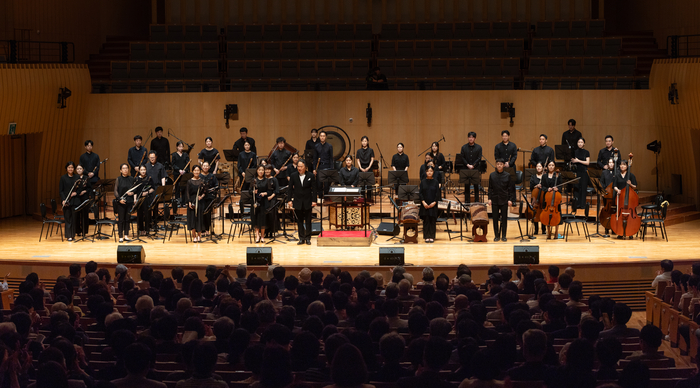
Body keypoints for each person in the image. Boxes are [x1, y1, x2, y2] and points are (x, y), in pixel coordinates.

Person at [288, 160, 316, 246]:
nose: (299, 168)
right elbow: (290, 189)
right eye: (298, 166)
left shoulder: (311, 175)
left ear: (305, 167)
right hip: (297, 201)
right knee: (299, 221)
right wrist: (289, 200)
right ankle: (301, 238)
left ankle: (308, 238)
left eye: (301, 166)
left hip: (308, 201)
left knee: (308, 220)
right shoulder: (293, 175)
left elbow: (314, 189)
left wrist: (314, 200)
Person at [488, 159, 515, 242]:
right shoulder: (492, 175)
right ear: (496, 165)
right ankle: (496, 235)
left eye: (501, 164)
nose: (499, 165)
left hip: (504, 199)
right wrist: (489, 198)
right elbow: (490, 188)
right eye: (498, 164)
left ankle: (503, 235)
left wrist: (510, 199)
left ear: (503, 165)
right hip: (495, 199)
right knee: (495, 218)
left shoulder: (507, 175)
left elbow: (510, 189)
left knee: (504, 219)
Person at [613, 159, 638, 240]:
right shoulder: (617, 175)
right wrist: (618, 190)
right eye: (621, 164)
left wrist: (630, 184)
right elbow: (614, 186)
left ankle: (630, 232)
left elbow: (635, 186)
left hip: (629, 198)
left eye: (624, 165)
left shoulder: (631, 175)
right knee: (619, 214)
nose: (622, 166)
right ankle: (620, 232)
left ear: (627, 166)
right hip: (620, 197)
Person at [419, 166, 441, 244]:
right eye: (428, 171)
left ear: (433, 172)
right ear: (425, 172)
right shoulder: (423, 182)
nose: (429, 172)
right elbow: (420, 193)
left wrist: (434, 202)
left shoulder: (435, 182)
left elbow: (437, 194)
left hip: (433, 204)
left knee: (432, 220)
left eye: (431, 171)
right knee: (426, 220)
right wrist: (423, 202)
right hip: (424, 204)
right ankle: (426, 236)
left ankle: (431, 236)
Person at [541, 160, 562, 240]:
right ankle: (549, 232)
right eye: (550, 165)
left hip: (555, 199)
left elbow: (561, 187)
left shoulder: (558, 175)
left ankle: (556, 232)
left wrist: (557, 188)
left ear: (554, 166)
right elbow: (542, 187)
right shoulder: (544, 176)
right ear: (547, 167)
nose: (551, 166)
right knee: (547, 215)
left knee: (557, 214)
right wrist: (547, 189)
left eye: (553, 165)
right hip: (547, 198)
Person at [59, 162, 80, 241]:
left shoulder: (77, 177)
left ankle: (73, 234)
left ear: (74, 169)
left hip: (75, 201)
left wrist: (76, 193)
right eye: (69, 167)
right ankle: (69, 236)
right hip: (67, 201)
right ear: (66, 168)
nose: (70, 169)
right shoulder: (63, 178)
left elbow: (80, 188)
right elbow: (61, 191)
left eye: (72, 167)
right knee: (68, 218)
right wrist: (63, 199)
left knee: (74, 219)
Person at [251, 165, 273, 243]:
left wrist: (265, 193)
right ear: (257, 171)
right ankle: (257, 236)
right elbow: (249, 191)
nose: (261, 171)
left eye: (262, 170)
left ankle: (262, 236)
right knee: (256, 219)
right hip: (255, 202)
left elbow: (270, 191)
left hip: (264, 202)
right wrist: (253, 192)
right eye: (259, 170)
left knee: (263, 219)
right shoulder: (254, 180)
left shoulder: (267, 180)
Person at [146, 150, 167, 229]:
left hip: (157, 188)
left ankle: (155, 223)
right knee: (148, 207)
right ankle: (148, 224)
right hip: (148, 189)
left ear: (156, 157)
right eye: (150, 157)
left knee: (155, 207)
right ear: (148, 157)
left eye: (153, 157)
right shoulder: (146, 166)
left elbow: (163, 177)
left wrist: (163, 188)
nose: (152, 159)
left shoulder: (160, 166)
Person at [114, 163, 135, 242]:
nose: (125, 169)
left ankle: (126, 235)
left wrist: (132, 193)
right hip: (121, 202)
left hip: (129, 201)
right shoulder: (118, 179)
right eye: (123, 168)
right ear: (120, 170)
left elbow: (134, 189)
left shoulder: (131, 179)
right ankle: (120, 236)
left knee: (127, 219)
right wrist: (119, 199)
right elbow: (115, 191)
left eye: (126, 168)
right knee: (121, 219)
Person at [460, 131, 483, 203]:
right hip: (466, 168)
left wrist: (473, 165)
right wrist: (467, 165)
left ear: (475, 138)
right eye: (469, 137)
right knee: (467, 185)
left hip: (475, 169)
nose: (471, 138)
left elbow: (479, 158)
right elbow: (462, 157)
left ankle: (476, 201)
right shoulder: (464, 147)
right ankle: (467, 201)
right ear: (468, 138)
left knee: (476, 185)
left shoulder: (479, 147)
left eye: (472, 137)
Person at [134, 165, 155, 236]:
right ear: (139, 171)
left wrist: (147, 192)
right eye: (142, 170)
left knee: (147, 214)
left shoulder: (149, 178)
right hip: (139, 199)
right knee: (139, 214)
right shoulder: (136, 179)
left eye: (144, 170)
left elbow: (153, 188)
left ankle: (147, 230)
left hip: (147, 199)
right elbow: (135, 190)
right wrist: (134, 199)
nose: (143, 171)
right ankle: (141, 230)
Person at [186, 165, 205, 243]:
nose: (196, 172)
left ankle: (199, 236)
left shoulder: (202, 180)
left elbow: (205, 191)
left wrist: (201, 196)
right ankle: (194, 236)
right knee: (193, 219)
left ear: (200, 171)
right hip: (192, 201)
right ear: (193, 171)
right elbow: (187, 193)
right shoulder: (189, 181)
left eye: (198, 170)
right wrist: (189, 202)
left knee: (199, 219)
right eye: (195, 170)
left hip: (199, 202)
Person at [199, 161, 219, 236]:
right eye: (204, 166)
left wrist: (211, 190)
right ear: (202, 167)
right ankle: (202, 230)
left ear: (209, 167)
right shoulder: (200, 176)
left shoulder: (212, 176)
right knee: (202, 214)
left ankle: (207, 229)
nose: (205, 167)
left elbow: (216, 185)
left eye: (207, 166)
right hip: (201, 198)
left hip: (209, 197)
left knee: (208, 214)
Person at [571, 137, 590, 211]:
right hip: (576, 172)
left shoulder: (586, 152)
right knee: (576, 188)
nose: (580, 143)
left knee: (583, 188)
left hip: (584, 172)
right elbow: (572, 161)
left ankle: (582, 205)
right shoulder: (574, 152)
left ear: (584, 143)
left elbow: (587, 162)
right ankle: (576, 205)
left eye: (581, 142)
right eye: (579, 142)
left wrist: (578, 160)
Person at [313, 130, 334, 195]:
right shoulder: (316, 146)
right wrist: (314, 169)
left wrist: (332, 168)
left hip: (327, 166)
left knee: (327, 184)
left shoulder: (329, 146)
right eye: (321, 136)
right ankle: (319, 197)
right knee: (319, 183)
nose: (322, 137)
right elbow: (315, 159)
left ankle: (326, 198)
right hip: (319, 166)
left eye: (323, 136)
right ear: (319, 137)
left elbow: (331, 158)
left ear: (326, 137)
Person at [74, 164, 92, 238]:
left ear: (83, 169)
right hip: (77, 198)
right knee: (77, 215)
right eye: (77, 169)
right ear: (76, 170)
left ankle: (84, 231)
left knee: (84, 215)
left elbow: (90, 188)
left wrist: (85, 191)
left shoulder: (86, 178)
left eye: (80, 169)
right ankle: (78, 231)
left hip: (84, 198)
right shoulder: (74, 178)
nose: (79, 170)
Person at [263, 165, 280, 238]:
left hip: (272, 199)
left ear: (271, 170)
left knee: (272, 215)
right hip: (264, 199)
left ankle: (271, 232)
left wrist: (271, 197)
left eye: (268, 170)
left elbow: (276, 190)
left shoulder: (274, 179)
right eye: (266, 170)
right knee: (264, 216)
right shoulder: (262, 179)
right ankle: (265, 232)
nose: (267, 171)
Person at [529, 162, 546, 235]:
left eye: (540, 166)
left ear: (542, 168)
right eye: (537, 166)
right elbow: (531, 187)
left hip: (543, 197)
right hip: (535, 197)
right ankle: (536, 229)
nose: (538, 167)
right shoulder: (533, 177)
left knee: (543, 212)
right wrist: (536, 186)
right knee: (535, 212)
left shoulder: (545, 177)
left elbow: (547, 186)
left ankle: (543, 229)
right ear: (536, 168)